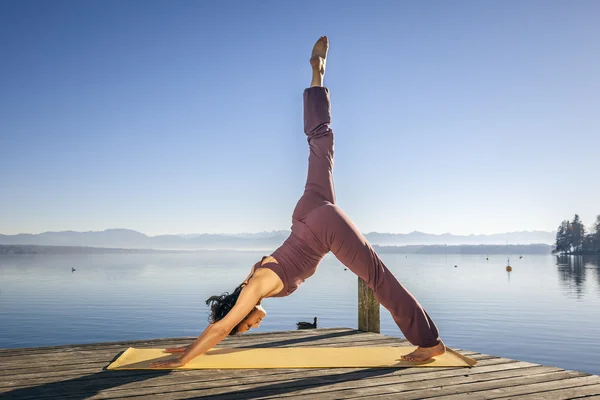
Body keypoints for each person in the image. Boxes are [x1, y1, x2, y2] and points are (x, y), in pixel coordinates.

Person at [150, 36, 445, 368]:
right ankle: (317, 77)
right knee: (320, 143)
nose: (252, 326)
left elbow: (222, 326)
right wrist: (192, 345)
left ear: (243, 311)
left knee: (376, 277)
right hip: (306, 212)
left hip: (321, 229)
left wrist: (183, 360)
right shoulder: (252, 275)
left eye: (246, 325)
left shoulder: (255, 288)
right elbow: (222, 320)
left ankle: (428, 343)